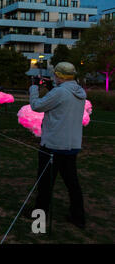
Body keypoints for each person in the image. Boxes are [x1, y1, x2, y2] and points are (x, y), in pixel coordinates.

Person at [29, 62, 86, 229]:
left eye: (55, 75)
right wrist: (50, 87)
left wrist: (34, 89)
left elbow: (36, 106)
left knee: (45, 183)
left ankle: (39, 218)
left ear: (60, 76)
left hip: (53, 145)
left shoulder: (60, 92)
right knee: (72, 183)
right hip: (72, 145)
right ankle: (78, 217)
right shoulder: (79, 92)